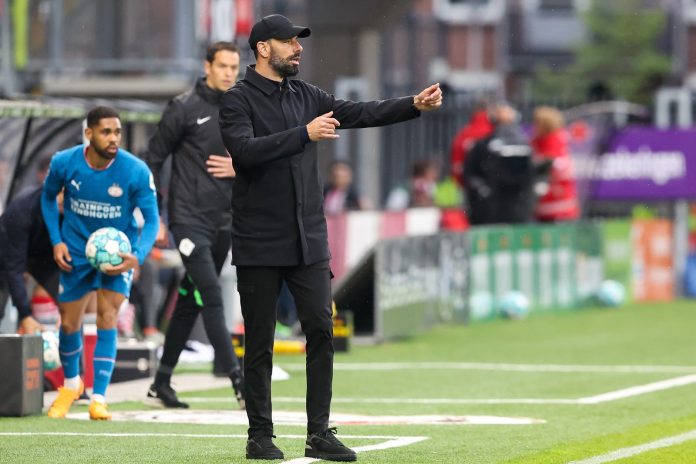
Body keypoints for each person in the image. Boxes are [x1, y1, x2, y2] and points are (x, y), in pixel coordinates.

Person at [219, 14, 442, 461]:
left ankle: (318, 432)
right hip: (260, 238)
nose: (298, 48)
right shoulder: (237, 100)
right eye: (288, 41)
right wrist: (303, 134)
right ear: (264, 48)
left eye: (299, 42)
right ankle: (259, 436)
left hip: (308, 239)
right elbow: (245, 152)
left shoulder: (309, 96)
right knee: (259, 340)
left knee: (321, 329)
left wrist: (412, 104)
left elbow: (359, 113)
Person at [142, 41, 245, 410]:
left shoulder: (241, 108)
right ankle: (238, 378)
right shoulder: (183, 107)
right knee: (212, 295)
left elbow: (259, 155)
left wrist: (241, 166)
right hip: (187, 221)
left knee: (190, 301)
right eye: (223, 66)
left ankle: (161, 382)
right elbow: (151, 161)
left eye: (235, 66)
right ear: (207, 66)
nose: (230, 73)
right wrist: (154, 216)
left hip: (224, 222)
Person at [42, 106, 159, 420]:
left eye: (117, 132)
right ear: (88, 133)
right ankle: (70, 386)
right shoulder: (64, 163)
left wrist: (138, 256)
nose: (113, 138)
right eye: (106, 132)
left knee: (108, 317)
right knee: (69, 323)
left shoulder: (135, 171)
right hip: (76, 253)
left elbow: (151, 220)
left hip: (117, 257)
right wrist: (57, 242)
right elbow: (47, 198)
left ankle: (100, 397)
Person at [464, 103, 538, 225]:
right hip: (517, 208)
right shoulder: (525, 144)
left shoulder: (483, 144)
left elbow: (470, 174)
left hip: (493, 209)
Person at [0, 186, 58, 335]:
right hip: (7, 254)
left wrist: (69, 312)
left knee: (71, 313)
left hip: (42, 254)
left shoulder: (74, 211)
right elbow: (13, 269)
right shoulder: (21, 210)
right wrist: (25, 315)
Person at [530, 106, 580, 222]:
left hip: (559, 203)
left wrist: (543, 166)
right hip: (542, 201)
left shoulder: (557, 141)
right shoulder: (535, 142)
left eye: (537, 123)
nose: (535, 127)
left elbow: (561, 168)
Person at [449, 100, 494, 188]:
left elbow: (456, 166)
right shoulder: (493, 131)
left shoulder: (464, 134)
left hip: (469, 182)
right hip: (492, 182)